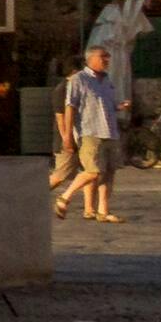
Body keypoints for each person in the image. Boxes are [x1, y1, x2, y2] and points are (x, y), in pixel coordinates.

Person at [62, 41, 129, 223]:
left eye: (108, 56)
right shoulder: (79, 80)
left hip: (110, 132)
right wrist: (67, 136)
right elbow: (70, 107)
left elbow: (106, 105)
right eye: (103, 56)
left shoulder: (106, 80)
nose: (107, 59)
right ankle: (64, 197)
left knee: (109, 172)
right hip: (90, 132)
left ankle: (103, 210)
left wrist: (119, 106)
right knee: (93, 171)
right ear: (91, 59)